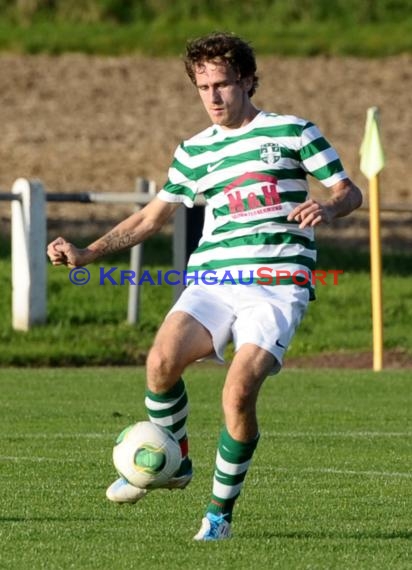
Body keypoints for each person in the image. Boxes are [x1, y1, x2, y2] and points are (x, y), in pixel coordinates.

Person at [47, 32, 363, 541]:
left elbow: (350, 192)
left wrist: (327, 207)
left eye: (222, 85)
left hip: (277, 285)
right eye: (203, 87)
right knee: (160, 362)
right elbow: (151, 219)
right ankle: (174, 461)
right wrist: (87, 253)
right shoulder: (194, 151)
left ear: (248, 82)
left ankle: (218, 515)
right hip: (213, 281)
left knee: (237, 392)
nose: (213, 97)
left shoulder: (293, 132)